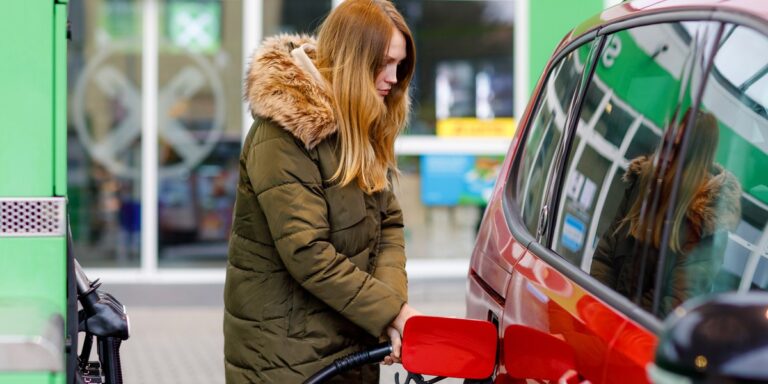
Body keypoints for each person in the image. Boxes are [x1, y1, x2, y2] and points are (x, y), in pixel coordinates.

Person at [223, 1, 421, 382]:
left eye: (400, 65)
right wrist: (392, 312)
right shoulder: (282, 135)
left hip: (349, 351)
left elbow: (389, 224)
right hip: (287, 361)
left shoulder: (359, 130)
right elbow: (308, 252)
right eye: (384, 63)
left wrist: (390, 310)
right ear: (352, 59)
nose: (393, 78)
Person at [590, 109, 742, 317]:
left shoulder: (707, 222)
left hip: (642, 336)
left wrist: (618, 321)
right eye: (666, 143)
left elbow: (677, 303)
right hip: (603, 317)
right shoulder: (645, 183)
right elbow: (605, 255)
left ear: (695, 159)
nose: (665, 155)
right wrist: (600, 310)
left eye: (676, 149)